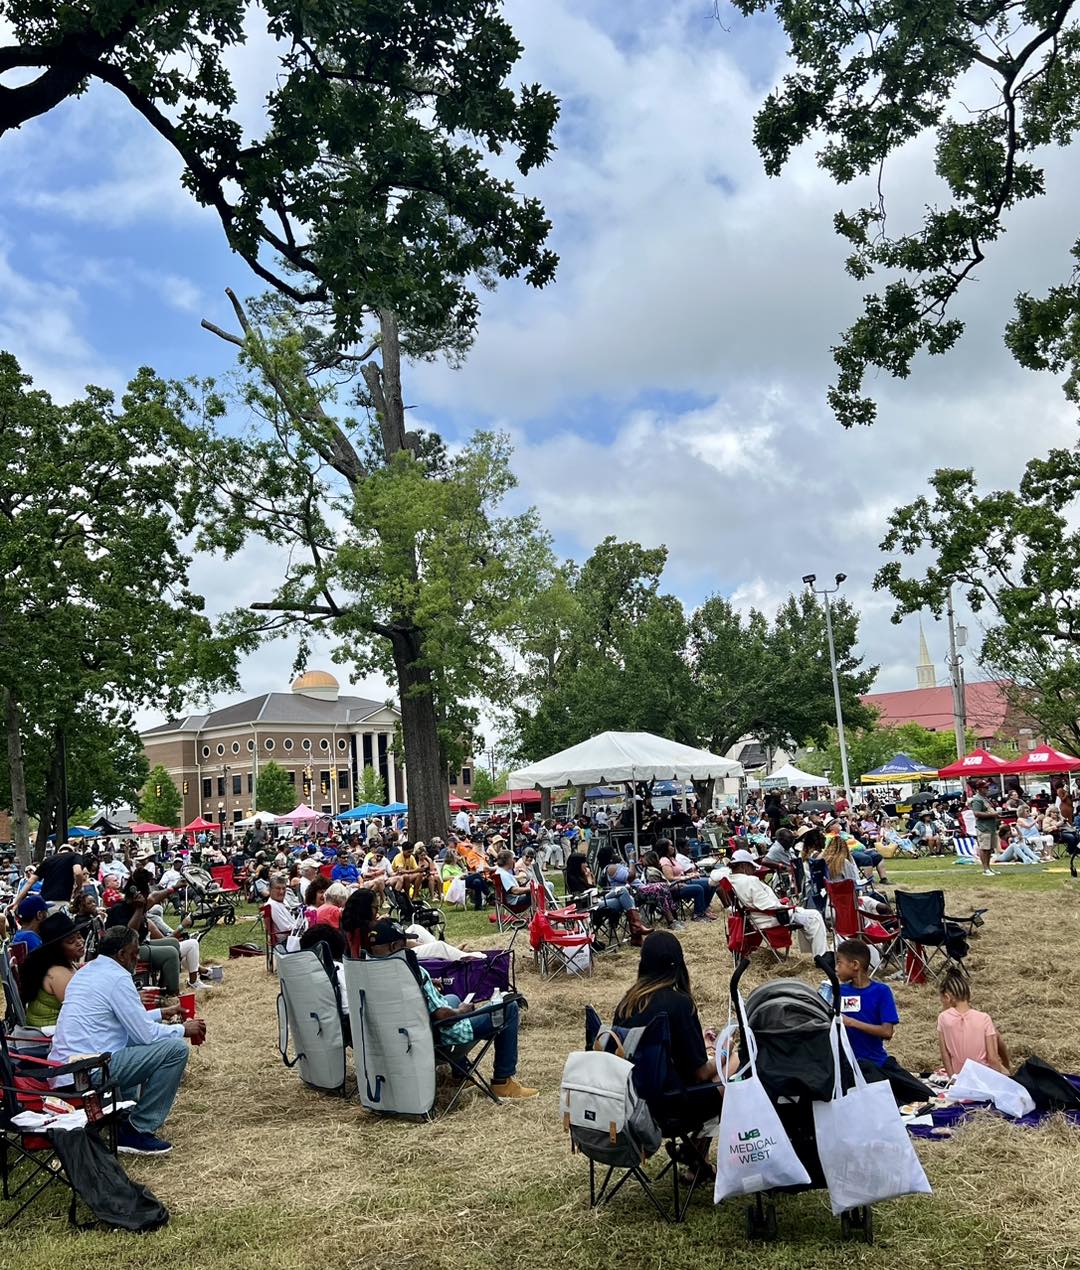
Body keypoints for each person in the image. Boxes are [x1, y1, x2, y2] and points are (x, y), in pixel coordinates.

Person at [50, 925, 204, 1155]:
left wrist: (161, 1013)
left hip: (67, 1070)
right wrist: (182, 1029)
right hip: (88, 1072)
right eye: (134, 953)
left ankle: (125, 1113)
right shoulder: (118, 977)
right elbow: (145, 1034)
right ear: (121, 954)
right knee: (175, 1050)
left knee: (132, 1042)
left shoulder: (88, 970)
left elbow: (124, 1023)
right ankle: (137, 1129)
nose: (138, 957)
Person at [368, 917, 538, 1100]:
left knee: (452, 998)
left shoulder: (368, 974)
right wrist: (462, 1011)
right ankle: (502, 1082)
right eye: (405, 943)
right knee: (508, 1007)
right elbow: (441, 1016)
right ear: (394, 946)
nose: (409, 948)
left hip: (397, 1044)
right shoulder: (413, 972)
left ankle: (461, 1073)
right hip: (438, 1043)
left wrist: (428, 986)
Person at [613, 931, 723, 1174]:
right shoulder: (679, 1003)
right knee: (730, 1078)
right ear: (678, 964)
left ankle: (696, 1159)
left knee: (718, 1075)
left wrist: (701, 1045)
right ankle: (696, 1157)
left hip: (629, 1103)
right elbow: (700, 1074)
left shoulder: (626, 1004)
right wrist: (723, 1053)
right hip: (668, 1108)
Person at [834, 938, 928, 1102]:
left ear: (855, 965)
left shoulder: (881, 991)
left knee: (925, 1097)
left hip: (879, 1062)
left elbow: (887, 1032)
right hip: (851, 1066)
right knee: (886, 1103)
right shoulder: (838, 992)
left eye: (839, 963)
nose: (836, 968)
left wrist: (851, 1022)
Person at [728, 849, 828, 957]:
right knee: (814, 916)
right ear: (744, 866)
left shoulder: (730, 880)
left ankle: (819, 954)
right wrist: (785, 906)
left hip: (757, 917)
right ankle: (822, 956)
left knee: (808, 918)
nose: (754, 870)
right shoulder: (750, 881)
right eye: (752, 867)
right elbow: (766, 905)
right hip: (771, 917)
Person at [936, 967, 1010, 1076]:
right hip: (984, 1077)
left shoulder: (943, 1018)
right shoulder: (984, 1018)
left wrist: (952, 1078)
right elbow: (992, 1059)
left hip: (961, 1077)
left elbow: (945, 1055)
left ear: (947, 997)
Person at [19, 912, 88, 1027]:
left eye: (79, 936)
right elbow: (82, 1012)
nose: (79, 942)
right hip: (49, 1034)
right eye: (71, 941)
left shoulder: (60, 964)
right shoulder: (58, 974)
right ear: (57, 948)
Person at [36, 843, 86, 911]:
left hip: (45, 903)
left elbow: (30, 882)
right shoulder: (74, 857)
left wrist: (16, 902)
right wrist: (79, 887)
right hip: (62, 903)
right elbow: (77, 873)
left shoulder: (48, 861)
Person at [969, 779, 1002, 876]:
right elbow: (976, 813)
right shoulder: (977, 800)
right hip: (983, 827)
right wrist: (992, 815)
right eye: (985, 788)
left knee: (990, 848)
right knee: (984, 848)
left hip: (990, 827)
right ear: (979, 789)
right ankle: (985, 869)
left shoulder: (985, 798)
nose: (988, 789)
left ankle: (989, 868)